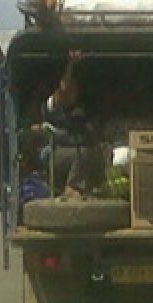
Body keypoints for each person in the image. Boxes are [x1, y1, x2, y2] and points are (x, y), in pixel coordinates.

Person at [41, 51, 105, 198]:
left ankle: (94, 187)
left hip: (73, 149)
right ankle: (71, 187)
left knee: (97, 151)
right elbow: (64, 87)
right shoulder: (52, 106)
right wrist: (71, 65)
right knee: (83, 153)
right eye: (70, 92)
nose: (72, 94)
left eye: (74, 91)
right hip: (53, 152)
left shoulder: (78, 111)